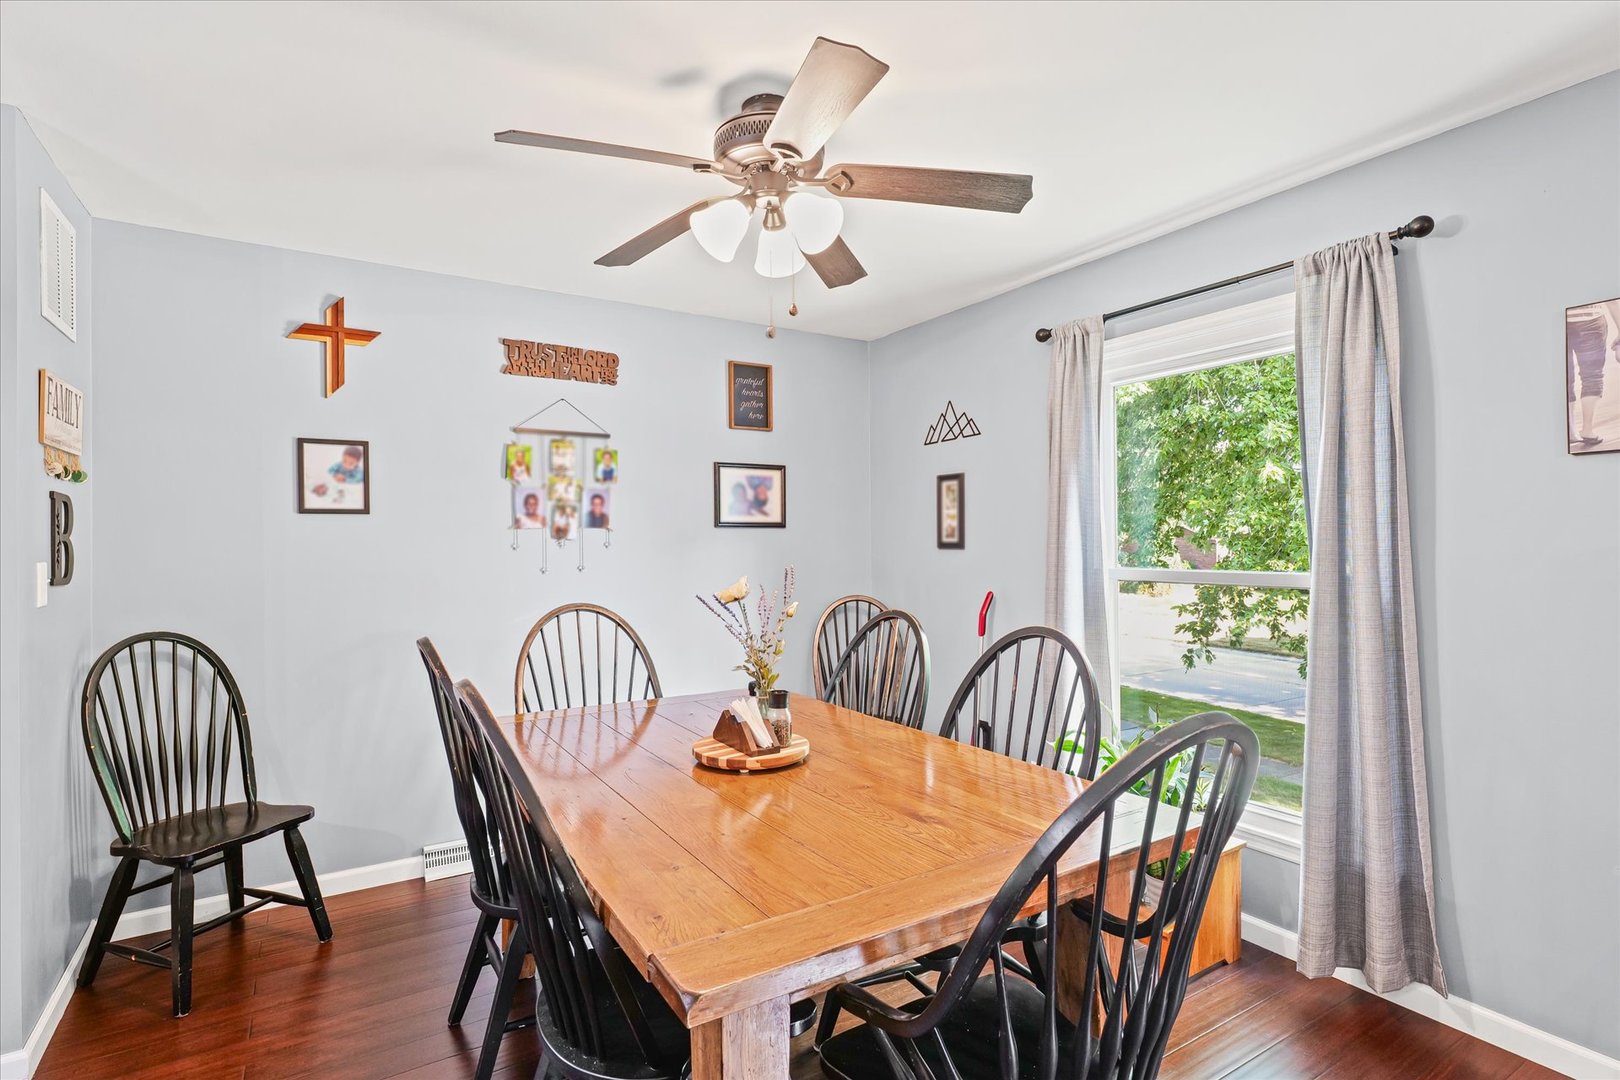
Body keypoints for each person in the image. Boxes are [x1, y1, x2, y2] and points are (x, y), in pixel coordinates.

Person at [1568, 299, 1620, 449]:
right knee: (1592, 376)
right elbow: (1611, 302)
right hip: (1590, 321)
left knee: (1565, 378)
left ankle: (1571, 430)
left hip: (1562, 322)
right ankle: (1587, 430)